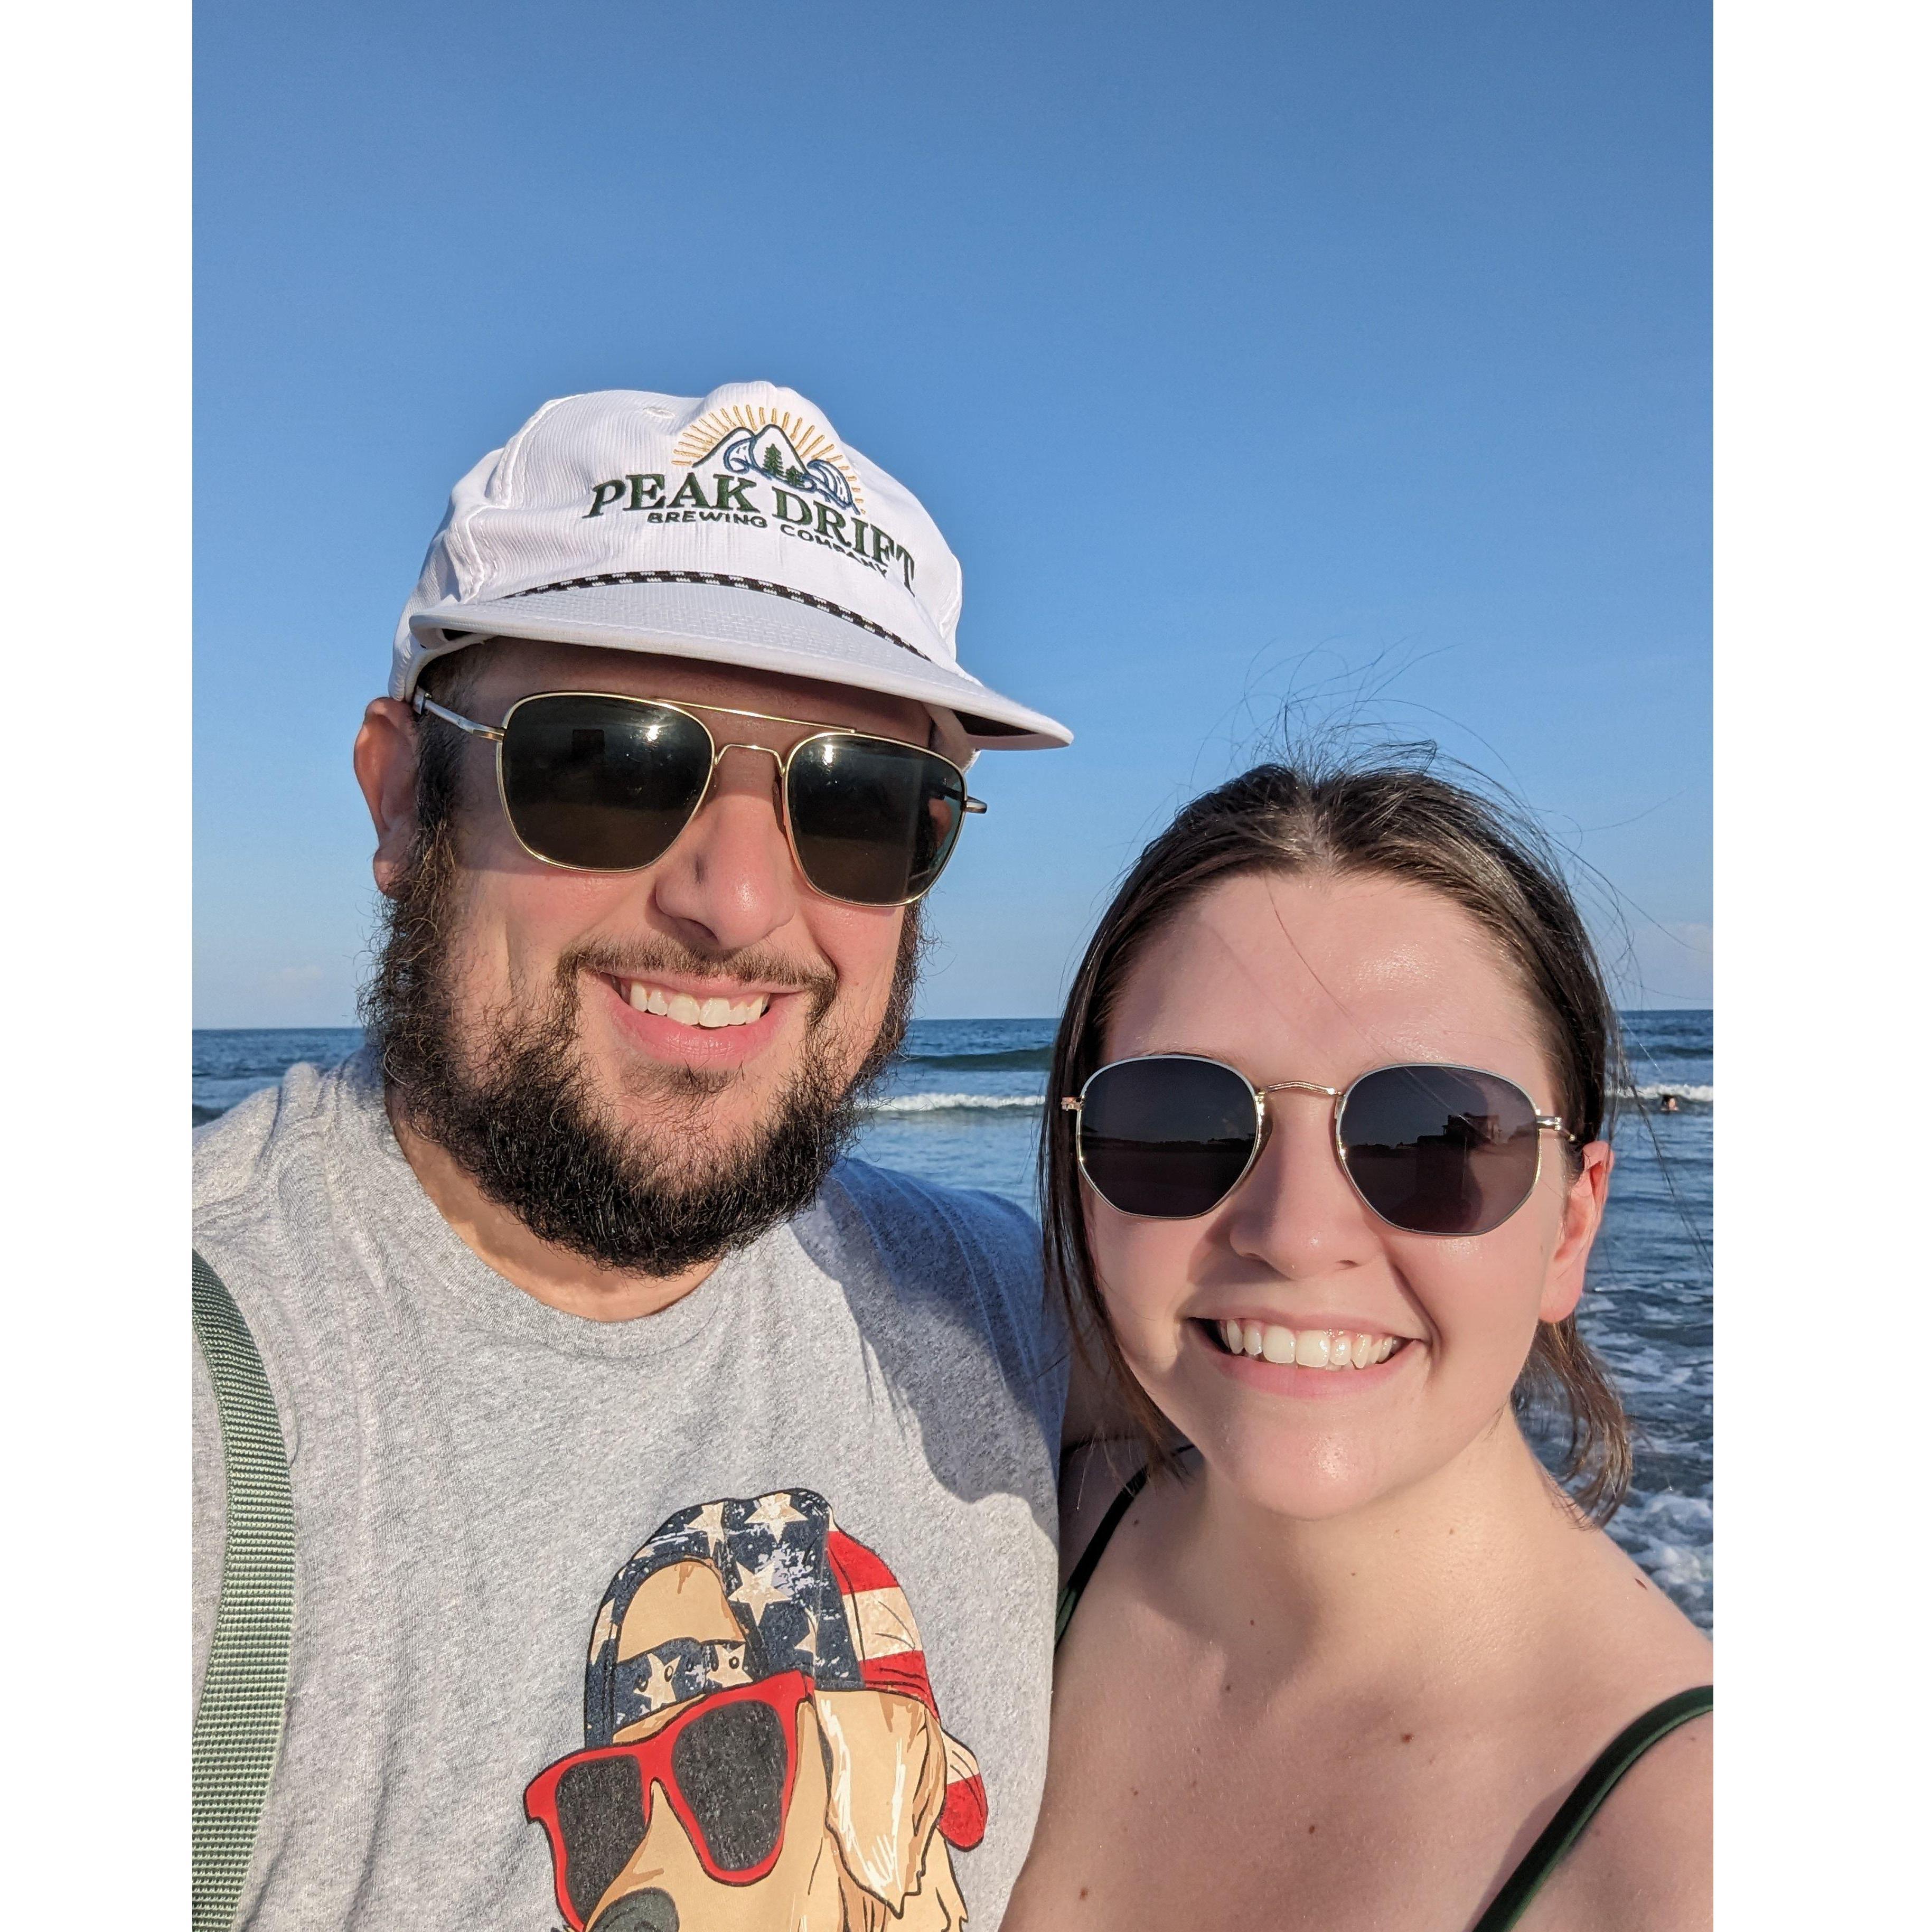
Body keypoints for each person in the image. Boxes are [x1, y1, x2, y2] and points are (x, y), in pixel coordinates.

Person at [192, 382, 1078, 1931]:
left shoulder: (1011, 1326)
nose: (737, 898)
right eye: (607, 763)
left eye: (859, 801)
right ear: (405, 795)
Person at [1005, 760, 1712, 1932]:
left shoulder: (1697, 1863)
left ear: (1568, 1226)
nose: (1291, 1232)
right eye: (1177, 1120)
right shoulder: (1010, 1536)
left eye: (1428, 1134)